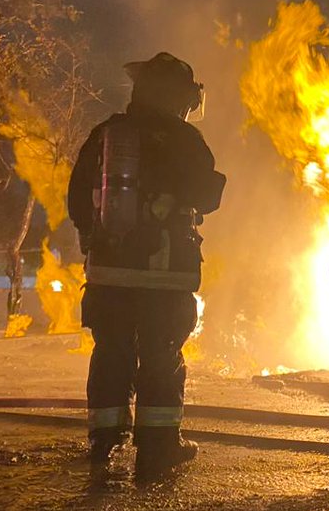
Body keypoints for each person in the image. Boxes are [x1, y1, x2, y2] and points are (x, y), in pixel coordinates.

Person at [68, 53, 225, 483]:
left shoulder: (106, 135)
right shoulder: (183, 139)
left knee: (110, 352)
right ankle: (157, 449)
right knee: (161, 356)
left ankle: (104, 440)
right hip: (165, 275)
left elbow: (77, 198)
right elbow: (207, 196)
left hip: (108, 274)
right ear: (180, 97)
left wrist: (97, 236)